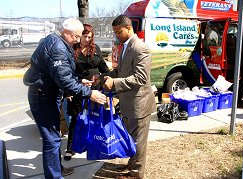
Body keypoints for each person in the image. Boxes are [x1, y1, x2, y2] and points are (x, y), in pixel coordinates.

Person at [23, 18, 107, 179]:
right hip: (43, 96)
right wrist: (90, 94)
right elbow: (63, 80)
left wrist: (78, 79)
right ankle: (55, 176)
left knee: (54, 138)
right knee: (52, 140)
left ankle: (57, 169)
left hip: (47, 93)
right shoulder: (58, 48)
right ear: (67, 32)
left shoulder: (56, 40)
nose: (77, 40)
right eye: (75, 36)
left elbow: (62, 73)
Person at [99, 15, 156, 179]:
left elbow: (140, 78)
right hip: (128, 103)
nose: (116, 35)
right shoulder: (125, 46)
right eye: (115, 32)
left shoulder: (140, 48)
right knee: (131, 139)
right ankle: (131, 165)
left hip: (139, 104)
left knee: (138, 142)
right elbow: (119, 72)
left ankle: (136, 174)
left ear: (128, 28)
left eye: (118, 32)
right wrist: (102, 77)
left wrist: (114, 83)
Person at [64, 23, 110, 161]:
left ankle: (95, 143)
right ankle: (70, 148)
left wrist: (107, 78)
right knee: (76, 118)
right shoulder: (72, 49)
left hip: (96, 88)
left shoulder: (95, 49)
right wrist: (68, 91)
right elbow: (67, 73)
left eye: (89, 37)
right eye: (84, 36)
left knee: (96, 117)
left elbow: (103, 67)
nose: (86, 40)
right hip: (78, 87)